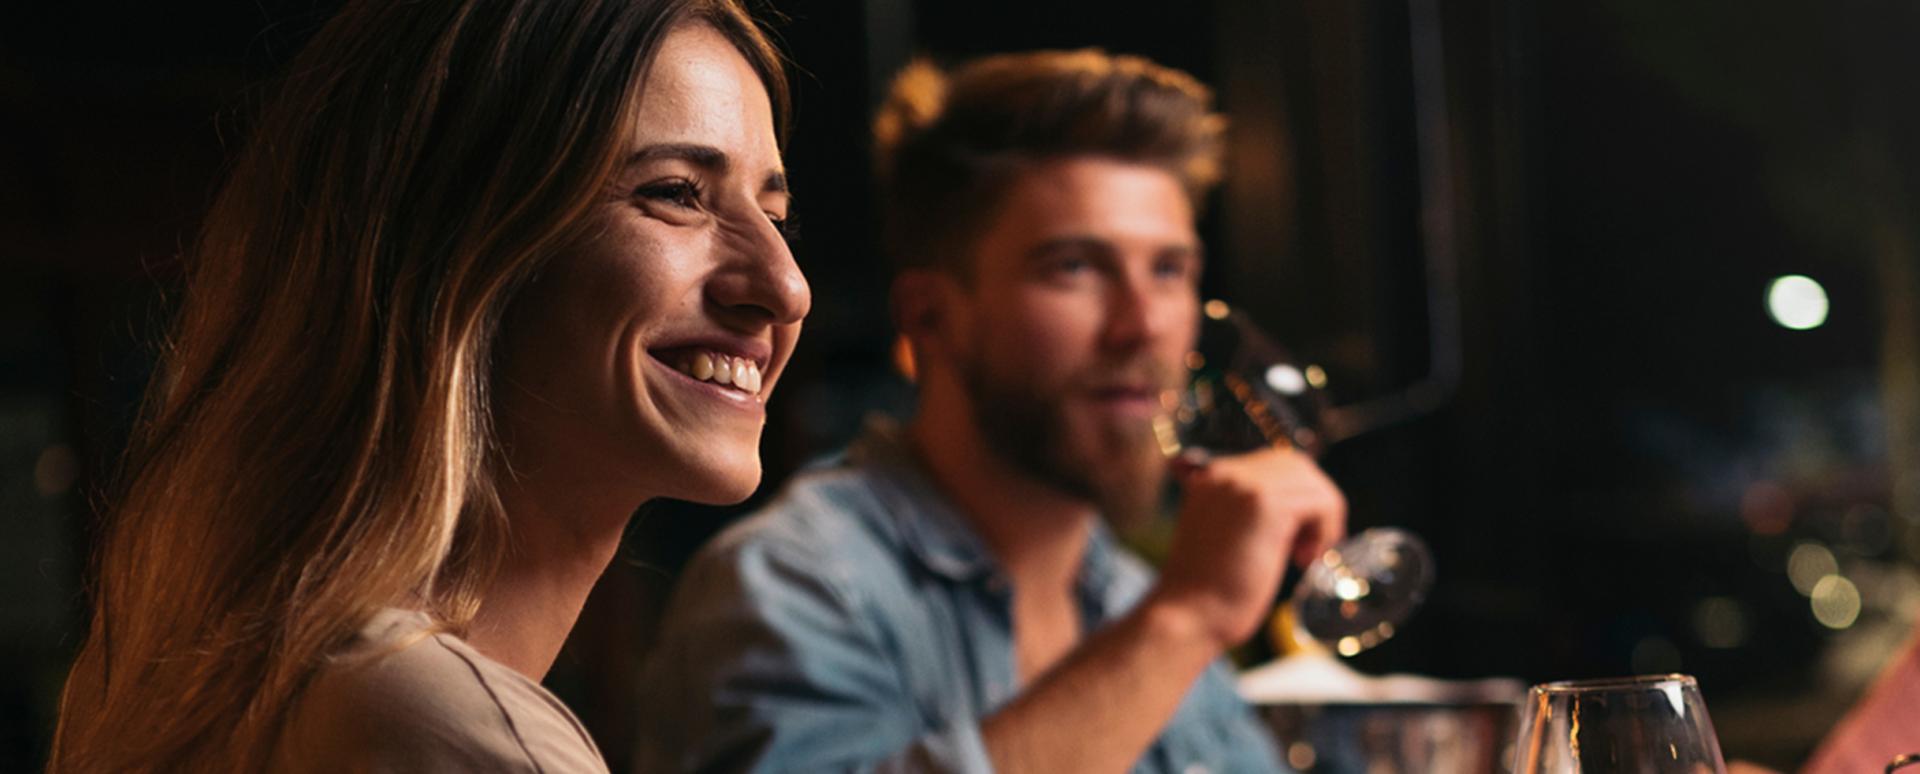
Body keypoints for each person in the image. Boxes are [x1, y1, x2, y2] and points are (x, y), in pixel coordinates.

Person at [47, 0, 806, 770]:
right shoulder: (450, 729)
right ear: (458, 253)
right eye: (677, 193)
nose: (786, 287)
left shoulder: (196, 675)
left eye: (775, 214)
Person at [636, 49, 1345, 773]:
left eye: (1168, 270)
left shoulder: (1131, 600)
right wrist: (1187, 619)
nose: (1143, 325)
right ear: (932, 317)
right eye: (1074, 266)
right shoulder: (798, 584)